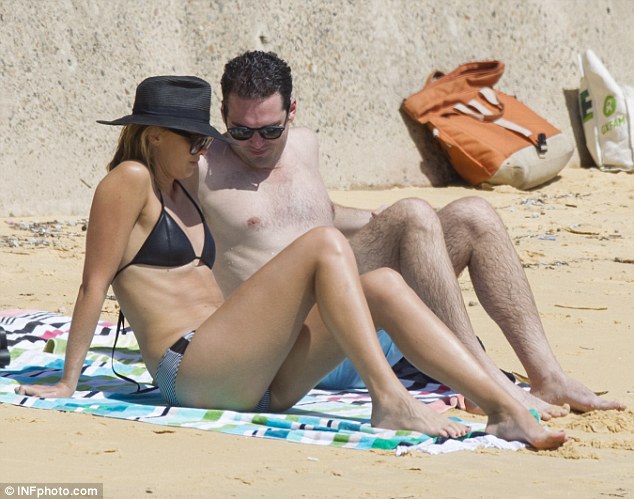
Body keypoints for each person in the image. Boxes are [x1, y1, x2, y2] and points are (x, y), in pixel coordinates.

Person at [13, 74, 567, 449]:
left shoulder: (182, 188)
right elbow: (92, 285)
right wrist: (68, 382)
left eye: (206, 142)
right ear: (155, 136)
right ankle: (390, 399)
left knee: (384, 284)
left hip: (254, 373)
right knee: (323, 245)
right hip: (193, 371)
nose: (203, 152)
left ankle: (504, 408)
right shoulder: (128, 180)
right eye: (195, 142)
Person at [191, 50, 625, 421]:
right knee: (413, 215)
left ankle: (548, 376)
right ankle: (484, 381)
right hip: (297, 352)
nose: (257, 143)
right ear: (223, 116)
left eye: (270, 130)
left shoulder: (304, 145)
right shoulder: (204, 169)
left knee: (473, 216)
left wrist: (374, 219)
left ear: (292, 111)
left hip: (364, 322)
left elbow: (316, 216)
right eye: (241, 131)